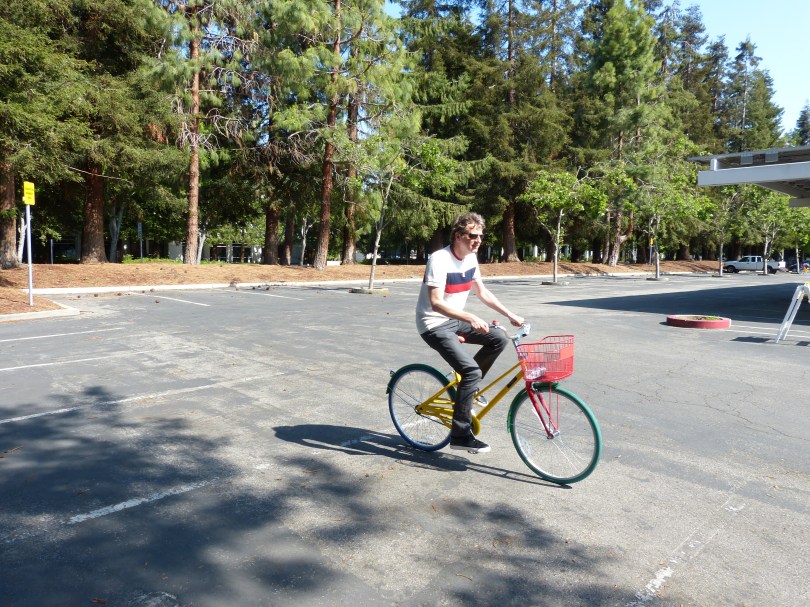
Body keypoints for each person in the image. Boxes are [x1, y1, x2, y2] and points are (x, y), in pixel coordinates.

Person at [415, 212, 524, 454]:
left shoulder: (471, 260)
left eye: (481, 237)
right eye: (473, 236)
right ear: (458, 236)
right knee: (471, 371)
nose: (478, 241)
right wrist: (471, 317)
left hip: (455, 321)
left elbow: (482, 293)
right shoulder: (439, 259)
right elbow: (435, 303)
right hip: (433, 324)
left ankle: (469, 388)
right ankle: (461, 435)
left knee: (498, 338)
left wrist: (510, 314)